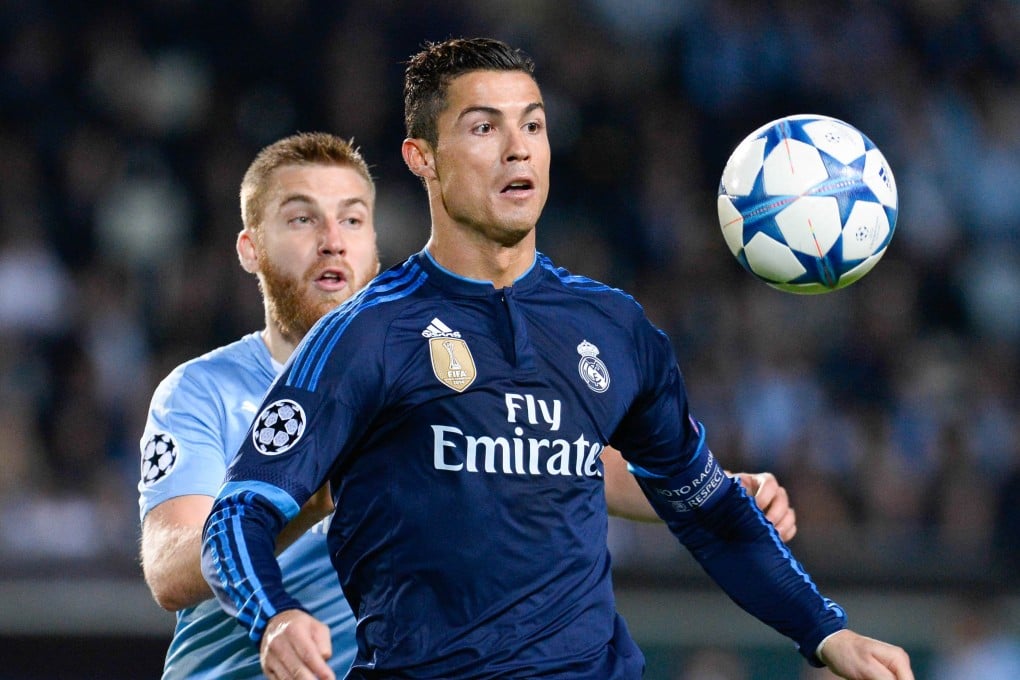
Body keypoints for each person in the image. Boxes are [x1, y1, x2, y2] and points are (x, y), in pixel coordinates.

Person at [201, 38, 912, 679]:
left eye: (533, 125)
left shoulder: (614, 326)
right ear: (423, 159)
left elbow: (707, 509)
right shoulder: (366, 334)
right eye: (484, 127)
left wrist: (826, 632)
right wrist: (276, 617)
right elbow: (237, 515)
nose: (519, 149)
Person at [139, 132, 794, 678]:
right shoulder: (203, 389)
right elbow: (170, 571)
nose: (333, 239)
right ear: (251, 248)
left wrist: (718, 493)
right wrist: (310, 494)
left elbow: (573, 463)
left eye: (353, 218)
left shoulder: (439, 368)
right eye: (302, 218)